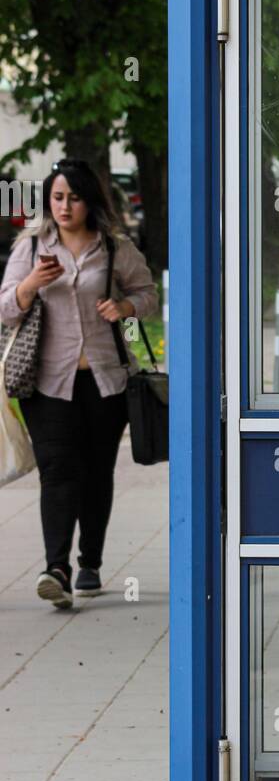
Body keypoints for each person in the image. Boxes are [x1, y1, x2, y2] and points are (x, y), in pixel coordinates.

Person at [0, 159, 158, 610]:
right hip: (45, 383)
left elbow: (148, 295)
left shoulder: (113, 247)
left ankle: (90, 561)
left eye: (73, 197)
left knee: (96, 473)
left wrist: (124, 307)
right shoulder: (30, 248)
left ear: (89, 201)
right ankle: (57, 569)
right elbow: (6, 309)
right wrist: (30, 284)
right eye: (57, 197)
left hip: (105, 382)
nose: (65, 206)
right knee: (57, 472)